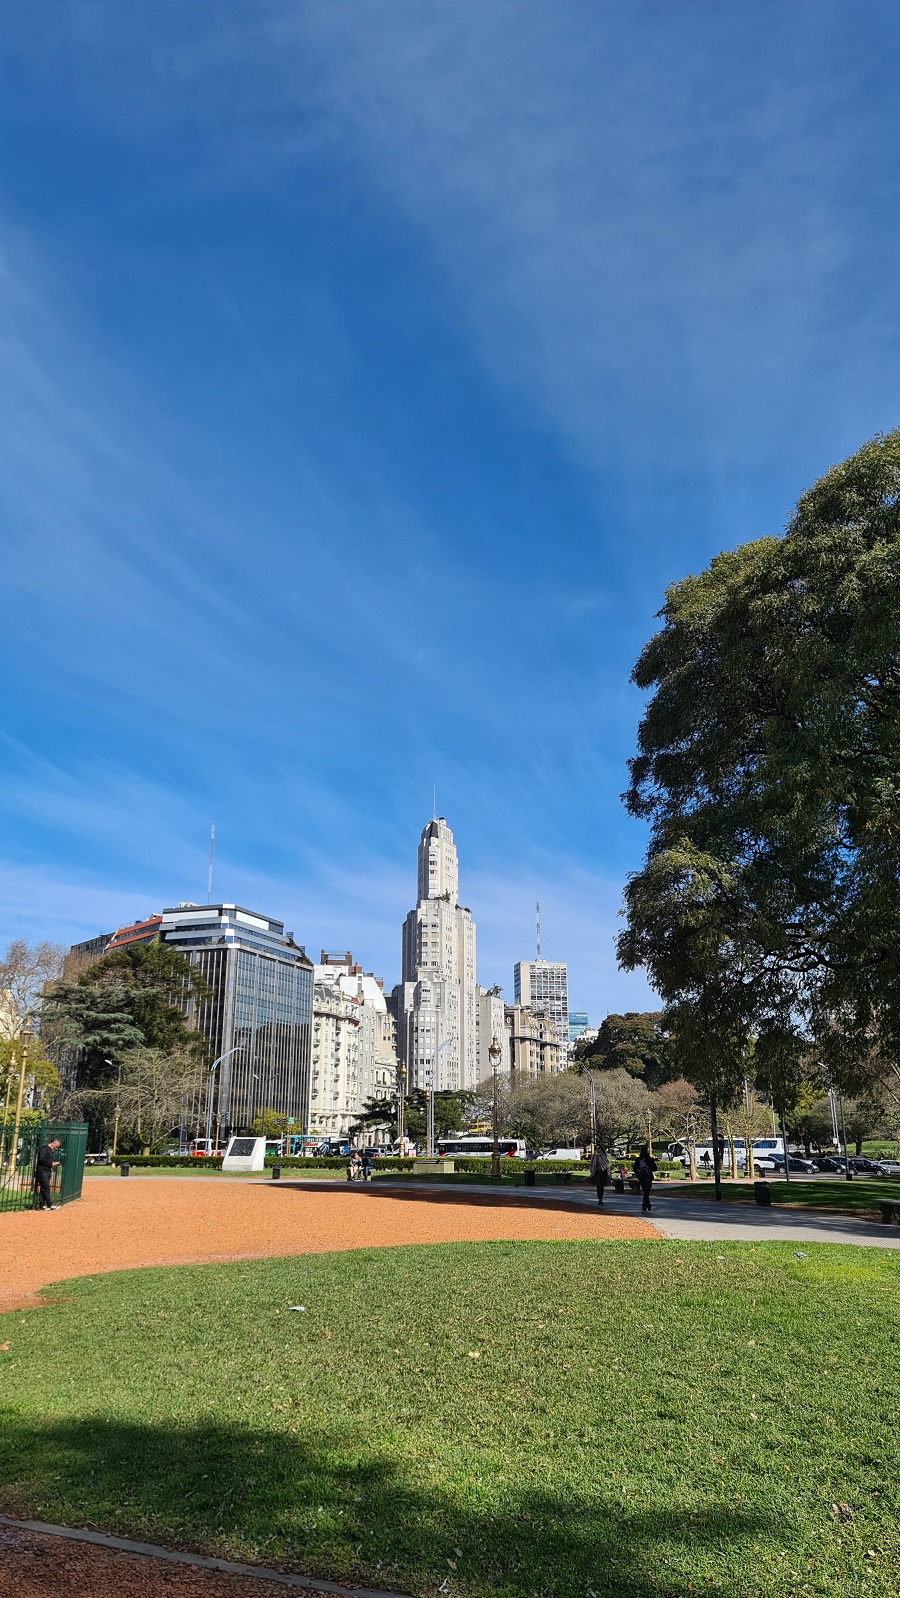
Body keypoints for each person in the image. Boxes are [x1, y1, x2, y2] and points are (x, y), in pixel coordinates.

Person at [34, 1137, 62, 1211]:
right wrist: (52, 1163)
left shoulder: (50, 1150)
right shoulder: (44, 1149)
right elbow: (41, 1159)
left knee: (43, 1189)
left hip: (47, 1171)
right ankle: (49, 1204)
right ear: (53, 1143)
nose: (56, 1148)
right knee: (46, 1188)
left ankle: (42, 1204)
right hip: (42, 1171)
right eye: (56, 1146)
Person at [634, 1143, 658, 1213]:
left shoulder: (638, 1160)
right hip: (648, 1177)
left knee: (645, 1192)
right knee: (646, 1193)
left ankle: (648, 1205)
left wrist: (638, 1174)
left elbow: (635, 1169)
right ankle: (644, 1207)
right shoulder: (649, 1159)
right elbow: (654, 1168)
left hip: (641, 1178)